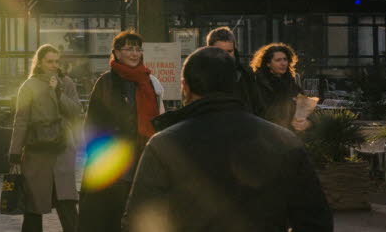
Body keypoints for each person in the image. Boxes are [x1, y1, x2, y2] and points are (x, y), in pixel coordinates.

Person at [122, 47, 333, 232]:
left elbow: (138, 222)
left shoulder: (164, 144)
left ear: (185, 87)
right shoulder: (283, 141)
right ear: (235, 85)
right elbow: (315, 220)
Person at [79, 30, 164, 232]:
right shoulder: (106, 82)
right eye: (129, 49)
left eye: (138, 49)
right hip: (114, 161)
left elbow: (158, 119)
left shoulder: (149, 81)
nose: (135, 53)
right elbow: (93, 123)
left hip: (143, 158)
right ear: (116, 53)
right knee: (112, 215)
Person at [8, 44, 82, 232]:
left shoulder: (67, 83)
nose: (54, 65)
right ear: (39, 62)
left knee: (66, 202)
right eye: (50, 61)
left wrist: (59, 93)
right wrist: (15, 152)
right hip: (37, 152)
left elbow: (76, 111)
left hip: (62, 151)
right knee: (34, 205)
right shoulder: (29, 86)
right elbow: (21, 120)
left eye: (57, 61)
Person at [205, 26, 263, 115]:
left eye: (229, 51)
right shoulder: (201, 74)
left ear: (234, 50)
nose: (225, 55)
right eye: (220, 51)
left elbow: (257, 106)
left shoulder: (245, 73)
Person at [251, 43, 303, 130]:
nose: (283, 63)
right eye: (278, 60)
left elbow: (305, 106)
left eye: (285, 59)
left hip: (289, 131)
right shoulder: (258, 83)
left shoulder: (291, 83)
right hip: (266, 130)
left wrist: (308, 122)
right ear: (268, 63)